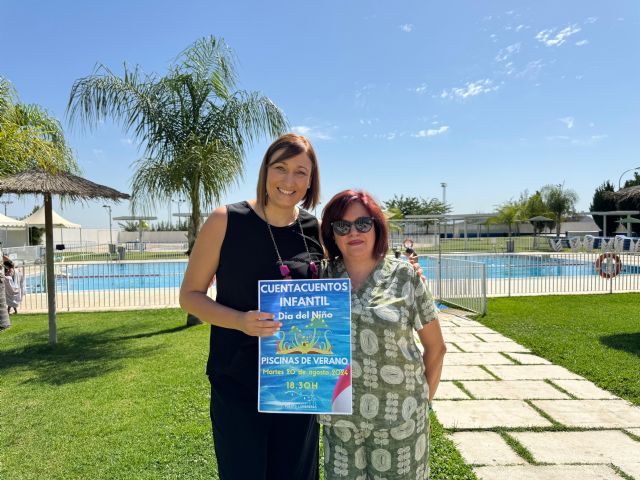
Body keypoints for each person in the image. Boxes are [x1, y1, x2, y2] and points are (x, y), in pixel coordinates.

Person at [179, 133, 323, 480]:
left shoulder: (311, 228)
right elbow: (190, 296)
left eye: (300, 172)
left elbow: (333, 287)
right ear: (265, 171)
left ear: (311, 181)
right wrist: (241, 320)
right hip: (238, 379)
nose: (289, 181)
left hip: (299, 381)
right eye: (281, 168)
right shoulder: (226, 220)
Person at [318, 190, 446, 480]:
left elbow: (436, 348)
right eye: (342, 226)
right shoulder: (321, 280)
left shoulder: (405, 276)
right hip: (341, 425)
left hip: (400, 423)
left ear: (377, 226)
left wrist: (422, 404)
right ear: (332, 234)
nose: (354, 232)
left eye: (363, 223)